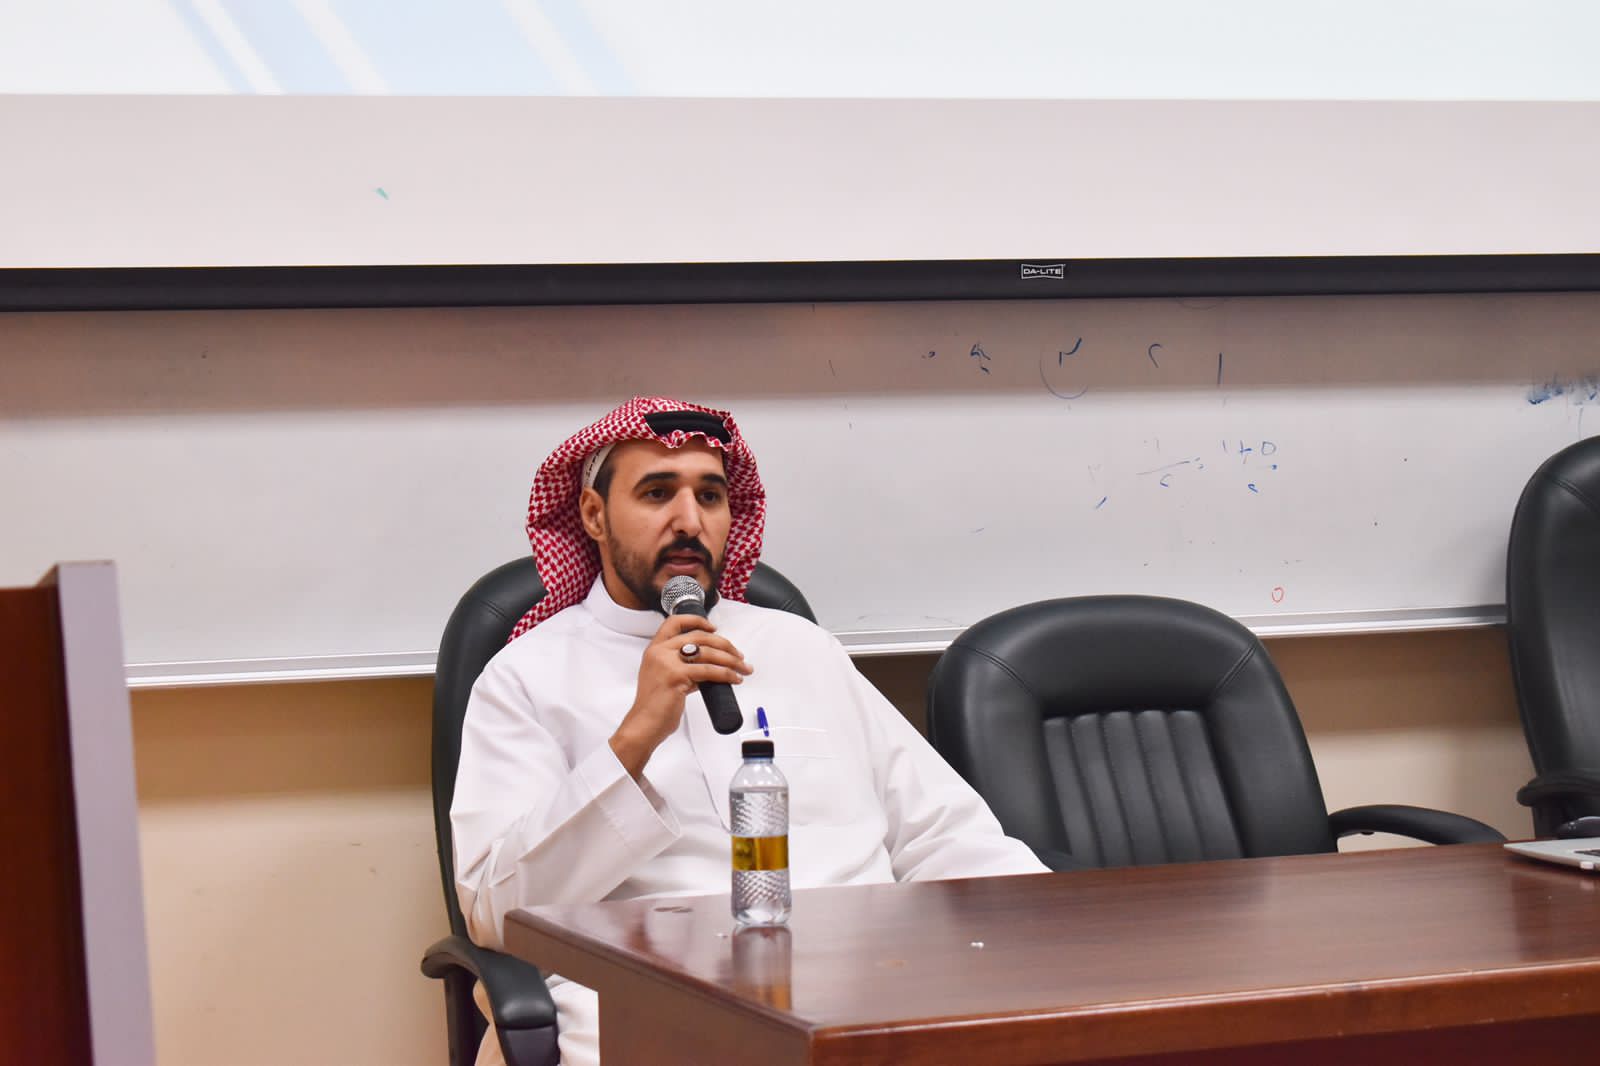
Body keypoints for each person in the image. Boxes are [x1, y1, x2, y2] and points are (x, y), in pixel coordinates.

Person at [452, 396, 1046, 1066]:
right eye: (657, 493)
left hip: (868, 985)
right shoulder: (526, 676)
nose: (690, 521)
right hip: (653, 1002)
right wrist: (634, 740)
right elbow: (496, 912)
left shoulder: (802, 647)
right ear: (593, 514)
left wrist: (1051, 936)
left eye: (710, 496)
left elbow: (946, 834)